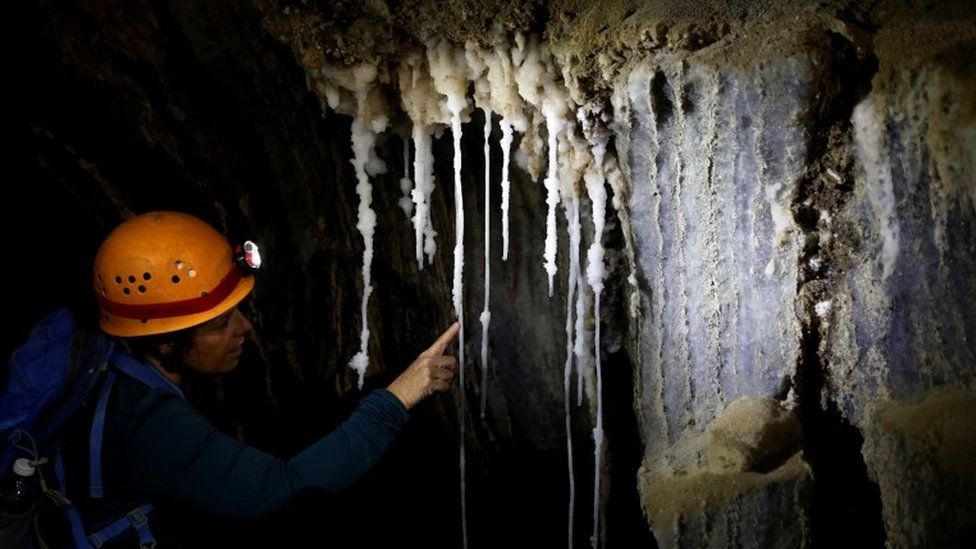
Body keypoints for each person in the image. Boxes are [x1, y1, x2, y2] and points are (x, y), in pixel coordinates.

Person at [45, 210, 459, 547]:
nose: (244, 329)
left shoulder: (107, 363)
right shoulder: (145, 420)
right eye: (221, 323)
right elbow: (280, 490)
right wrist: (396, 398)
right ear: (166, 343)